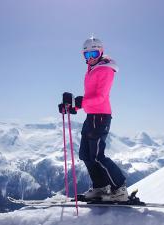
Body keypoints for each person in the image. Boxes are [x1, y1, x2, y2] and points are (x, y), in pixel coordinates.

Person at [59, 36, 128, 202]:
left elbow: (101, 97)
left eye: (94, 53)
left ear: (101, 52)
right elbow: (90, 97)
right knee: (85, 154)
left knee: (97, 156)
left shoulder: (104, 70)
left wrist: (80, 102)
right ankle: (100, 188)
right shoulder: (92, 69)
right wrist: (73, 106)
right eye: (87, 55)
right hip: (92, 116)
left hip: (101, 116)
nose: (90, 58)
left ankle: (120, 189)